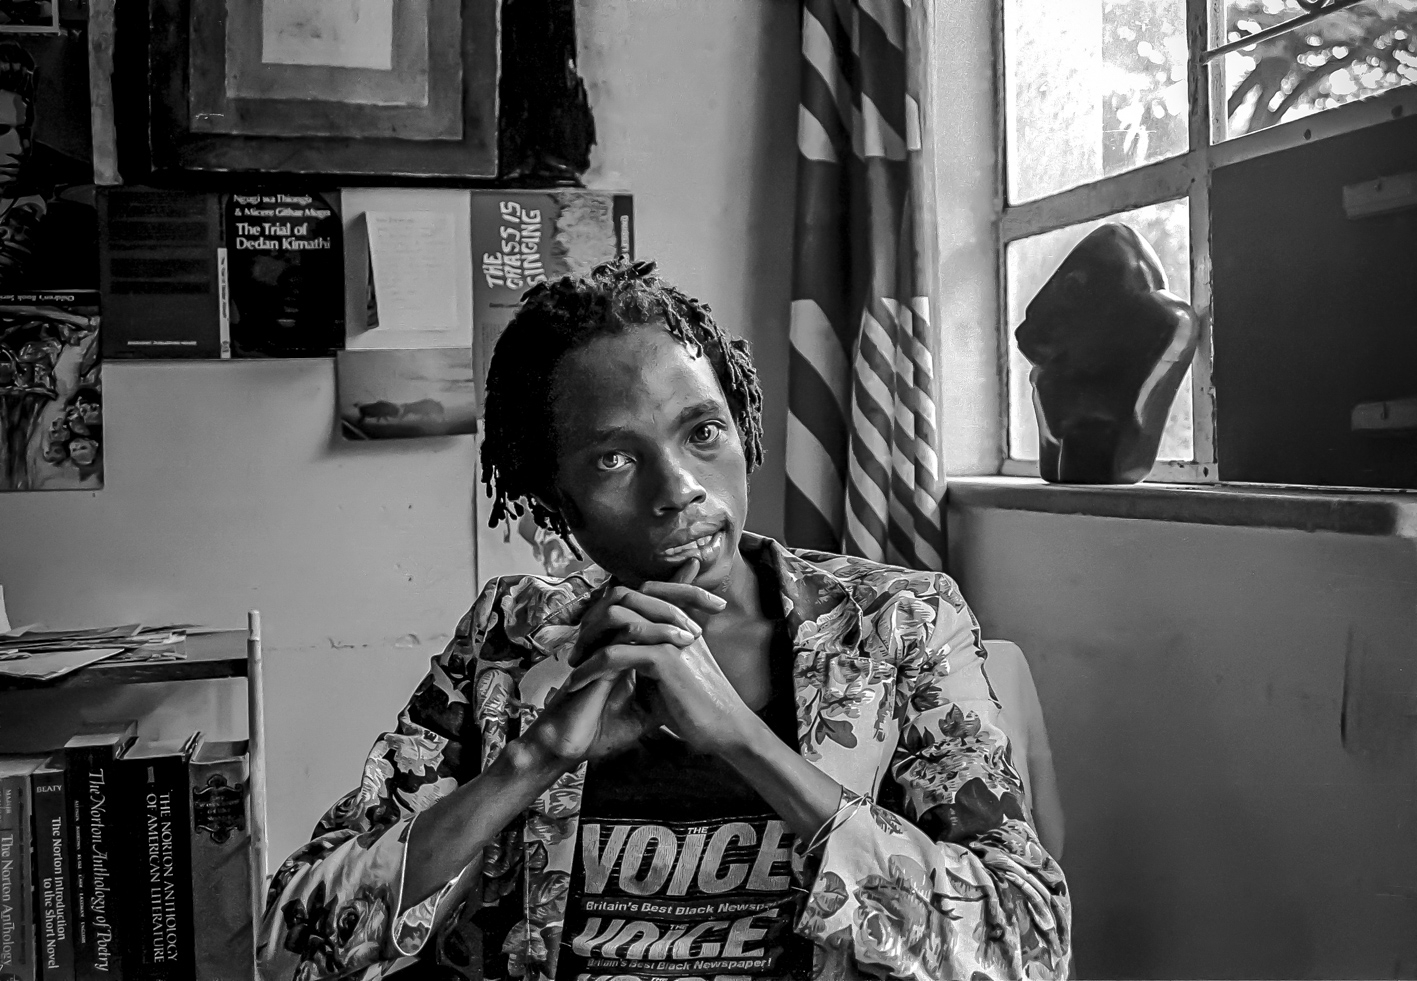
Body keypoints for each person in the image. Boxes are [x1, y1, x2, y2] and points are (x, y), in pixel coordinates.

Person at [258, 259, 1071, 981]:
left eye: (702, 430)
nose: (677, 486)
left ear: (743, 430)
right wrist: (533, 759)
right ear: (555, 502)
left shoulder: (899, 624)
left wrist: (743, 742)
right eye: (614, 458)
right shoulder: (510, 640)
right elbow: (290, 941)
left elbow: (1023, 944)